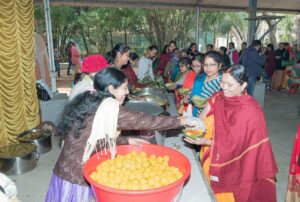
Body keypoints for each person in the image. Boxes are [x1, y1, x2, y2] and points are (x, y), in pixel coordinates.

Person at [46, 67, 205, 201]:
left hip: (66, 167)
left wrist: (127, 140)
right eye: (124, 88)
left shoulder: (92, 99)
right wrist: (182, 120)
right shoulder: (110, 108)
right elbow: (146, 121)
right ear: (110, 89)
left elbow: (97, 138)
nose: (127, 92)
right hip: (74, 175)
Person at [185, 65, 278, 202]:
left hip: (241, 161)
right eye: (222, 82)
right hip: (215, 151)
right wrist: (192, 125)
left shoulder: (251, 110)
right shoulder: (219, 97)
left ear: (244, 85)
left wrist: (207, 142)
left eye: (230, 84)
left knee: (237, 190)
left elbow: (241, 146)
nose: (224, 88)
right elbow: (201, 118)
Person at [190, 51, 223, 117]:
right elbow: (193, 96)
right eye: (205, 65)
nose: (208, 68)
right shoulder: (199, 78)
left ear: (219, 65)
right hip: (195, 114)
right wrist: (188, 97)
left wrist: (208, 105)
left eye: (212, 65)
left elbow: (225, 105)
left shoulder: (223, 82)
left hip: (211, 118)